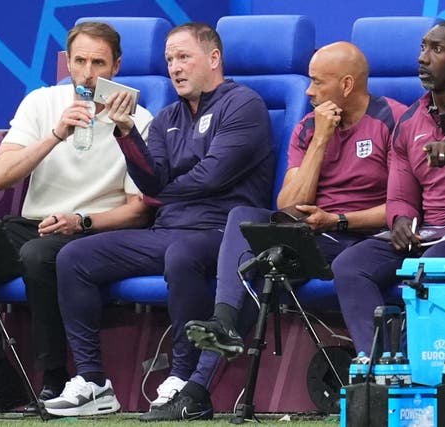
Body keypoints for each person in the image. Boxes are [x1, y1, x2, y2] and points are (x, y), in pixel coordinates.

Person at [139, 41, 408, 421]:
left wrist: (339, 220)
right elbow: (289, 205)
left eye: (317, 83)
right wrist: (320, 141)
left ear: (347, 85)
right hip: (313, 235)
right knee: (244, 224)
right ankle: (216, 343)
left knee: (259, 276)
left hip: (362, 238)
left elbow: (402, 205)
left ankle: (205, 371)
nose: (309, 92)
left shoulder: (394, 121)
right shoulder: (308, 127)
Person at [41, 22, 275, 418]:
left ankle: (183, 378)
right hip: (166, 230)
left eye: (184, 57)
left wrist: (157, 191)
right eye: (169, 59)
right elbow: (149, 177)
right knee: (73, 258)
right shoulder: (168, 115)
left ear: (213, 58)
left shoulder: (244, 104)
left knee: (181, 254)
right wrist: (126, 131)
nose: (174, 67)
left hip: (221, 232)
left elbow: (212, 177)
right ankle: (94, 382)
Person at [0, 21, 153, 413]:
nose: (88, 73)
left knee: (39, 255)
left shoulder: (138, 121)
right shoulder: (42, 102)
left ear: (116, 66)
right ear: (68, 63)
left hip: (92, 229)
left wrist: (81, 220)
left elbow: (138, 211)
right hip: (33, 223)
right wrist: (55, 135)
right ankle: (0, 377)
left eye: (99, 62)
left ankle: (54, 380)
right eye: (79, 61)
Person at [332, 21, 445, 355]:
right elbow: (401, 191)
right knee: (349, 265)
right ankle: (381, 365)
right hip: (429, 230)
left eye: (436, 49)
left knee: (434, 265)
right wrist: (401, 219)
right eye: (422, 48)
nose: (422, 58)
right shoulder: (408, 121)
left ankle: (424, 364)